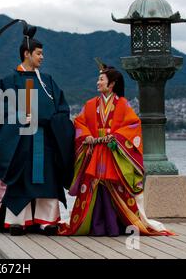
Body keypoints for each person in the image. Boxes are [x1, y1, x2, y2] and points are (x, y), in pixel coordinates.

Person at [0, 24, 75, 236]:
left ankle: (47, 221)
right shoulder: (9, 82)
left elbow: (62, 108)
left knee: (47, 179)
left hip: (46, 138)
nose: (42, 58)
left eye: (42, 54)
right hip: (20, 140)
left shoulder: (48, 81)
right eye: (39, 53)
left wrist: (53, 121)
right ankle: (17, 221)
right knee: (21, 180)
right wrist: (22, 119)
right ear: (27, 54)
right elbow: (1, 113)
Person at [58, 61, 173, 236]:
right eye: (98, 79)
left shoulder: (123, 105)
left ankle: (116, 225)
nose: (98, 83)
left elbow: (133, 124)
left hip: (113, 151)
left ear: (111, 84)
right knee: (94, 184)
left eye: (101, 79)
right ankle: (95, 225)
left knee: (115, 185)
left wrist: (117, 136)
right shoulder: (90, 105)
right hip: (96, 150)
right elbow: (79, 122)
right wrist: (86, 135)